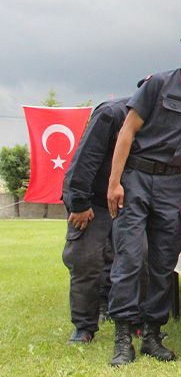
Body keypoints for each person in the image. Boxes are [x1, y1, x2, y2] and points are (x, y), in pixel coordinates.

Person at [106, 21, 181, 366]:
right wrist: (114, 183)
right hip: (137, 178)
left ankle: (153, 334)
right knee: (128, 257)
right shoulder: (159, 84)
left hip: (172, 184)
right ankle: (123, 337)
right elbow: (127, 132)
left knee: (163, 262)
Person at [62, 89, 136, 344]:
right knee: (86, 259)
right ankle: (84, 326)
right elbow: (85, 160)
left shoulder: (159, 120)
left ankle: (121, 314)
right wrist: (80, 203)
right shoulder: (112, 113)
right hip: (92, 197)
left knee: (125, 260)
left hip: (127, 200)